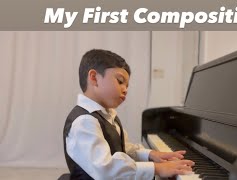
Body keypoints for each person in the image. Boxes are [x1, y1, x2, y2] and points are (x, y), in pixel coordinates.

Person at [63, 49, 194, 180]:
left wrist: (151, 154)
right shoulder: (84, 121)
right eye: (120, 81)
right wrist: (157, 168)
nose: (125, 90)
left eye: (127, 85)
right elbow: (105, 169)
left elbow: (125, 148)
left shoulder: (108, 115)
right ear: (94, 78)